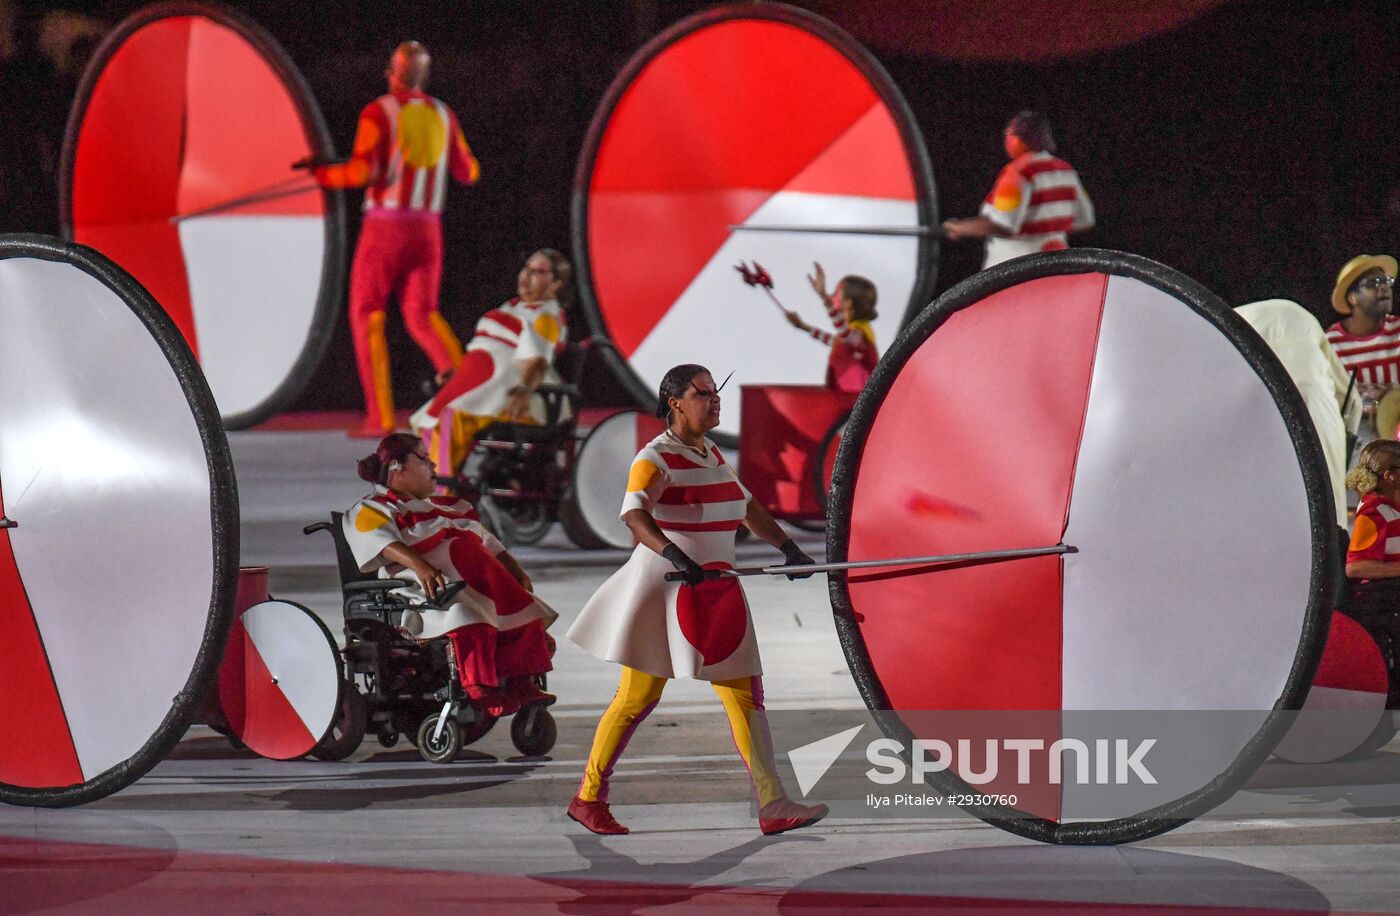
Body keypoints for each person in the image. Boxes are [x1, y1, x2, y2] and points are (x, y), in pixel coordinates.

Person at [564, 363, 828, 837]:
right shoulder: (655, 457)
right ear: (675, 403)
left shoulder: (710, 454)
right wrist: (673, 553)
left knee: (746, 697)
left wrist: (786, 546)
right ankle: (588, 797)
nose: (715, 400)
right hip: (665, 590)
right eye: (703, 393)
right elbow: (634, 516)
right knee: (636, 699)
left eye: (716, 392)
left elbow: (746, 506)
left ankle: (773, 803)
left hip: (716, 587)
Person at [304, 41, 482, 439]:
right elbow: (468, 171)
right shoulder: (443, 114)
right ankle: (466, 400)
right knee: (423, 315)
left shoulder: (378, 112)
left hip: (385, 229)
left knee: (367, 315)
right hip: (428, 229)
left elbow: (361, 174)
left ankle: (379, 417)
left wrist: (322, 175)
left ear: (393, 73)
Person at [344, 433, 555, 717]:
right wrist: (420, 565)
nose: (432, 466)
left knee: (522, 610)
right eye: (423, 458)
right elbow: (380, 541)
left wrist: (516, 571)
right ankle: (480, 687)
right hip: (423, 590)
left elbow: (489, 542)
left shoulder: (451, 508)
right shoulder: (375, 507)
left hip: (477, 582)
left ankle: (521, 683)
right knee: (470, 616)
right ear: (397, 466)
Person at [411, 249, 571, 473]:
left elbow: (537, 360)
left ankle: (440, 491)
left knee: (449, 419)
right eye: (526, 268)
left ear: (555, 284)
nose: (526, 274)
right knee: (430, 422)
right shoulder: (513, 307)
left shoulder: (545, 316)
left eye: (537, 271)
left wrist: (524, 389)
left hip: (514, 395)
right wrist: (460, 375)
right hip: (486, 383)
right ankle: (433, 484)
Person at [1237, 299, 1360, 528]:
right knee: (1331, 516)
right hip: (1321, 413)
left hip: (1261, 419)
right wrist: (1345, 446)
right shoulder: (1302, 318)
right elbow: (1353, 401)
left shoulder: (1222, 328)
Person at [941, 111, 1094, 269]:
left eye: (1008, 133)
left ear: (1017, 140)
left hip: (1014, 269)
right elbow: (1085, 220)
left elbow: (1002, 224)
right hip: (1056, 268)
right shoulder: (1066, 171)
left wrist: (960, 228)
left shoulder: (1019, 173)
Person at [784, 262, 879, 393]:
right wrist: (803, 326)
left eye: (836, 293)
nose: (832, 297)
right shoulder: (854, 335)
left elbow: (844, 335)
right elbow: (836, 341)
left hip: (855, 395)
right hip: (845, 391)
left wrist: (824, 298)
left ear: (848, 303)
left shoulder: (860, 333)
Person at [1324, 254, 1399, 397]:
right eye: (1373, 283)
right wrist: (1373, 402)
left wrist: (1389, 396)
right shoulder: (1330, 344)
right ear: (1353, 297)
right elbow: (1333, 402)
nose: (1384, 288)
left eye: (1386, 281)